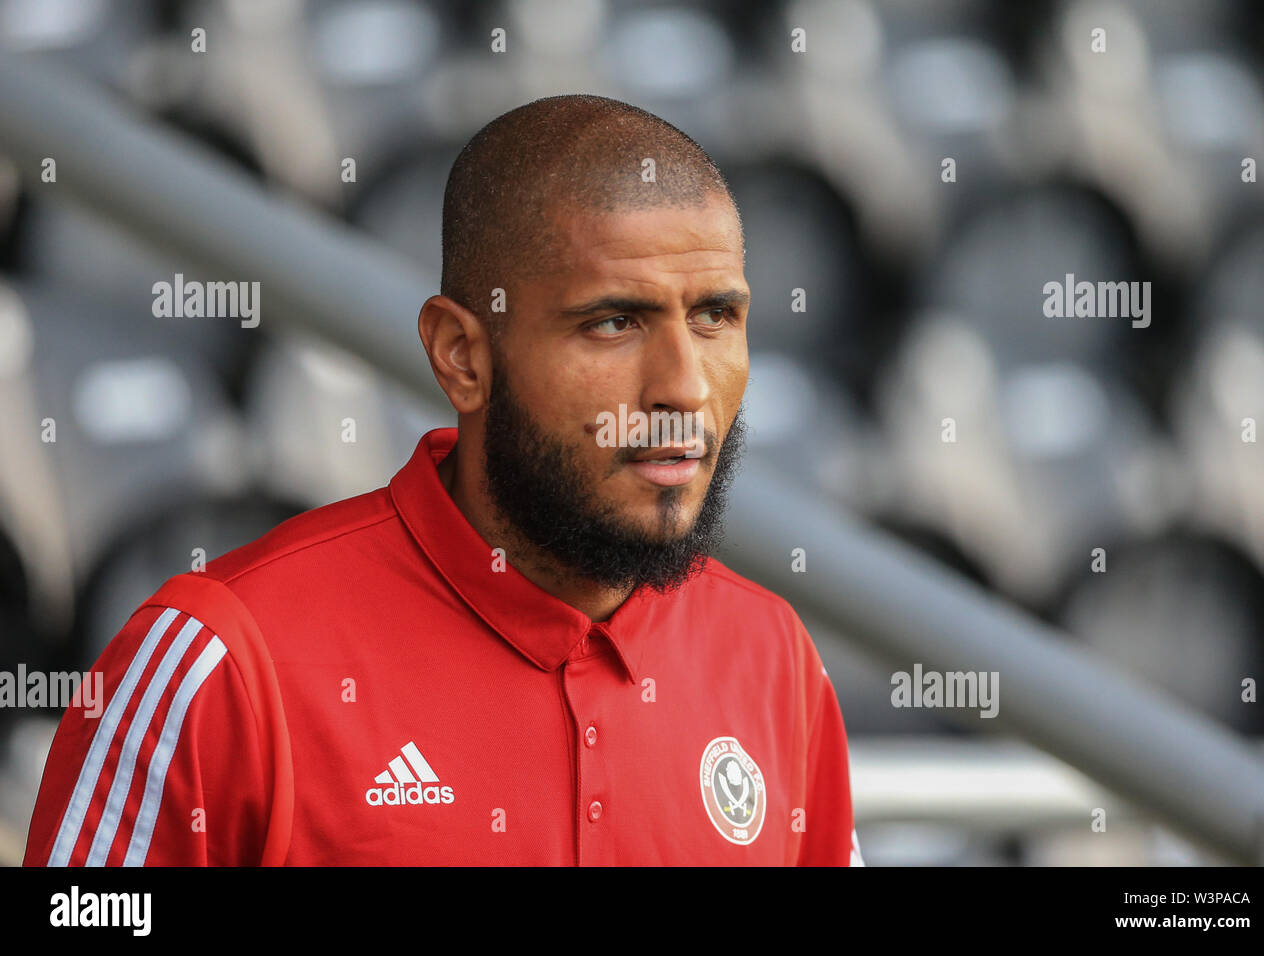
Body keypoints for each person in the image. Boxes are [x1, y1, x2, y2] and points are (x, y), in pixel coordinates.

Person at [24, 94, 863, 866]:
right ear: (461, 356)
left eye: (716, 316)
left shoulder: (775, 659)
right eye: (614, 322)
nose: (683, 385)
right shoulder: (217, 662)